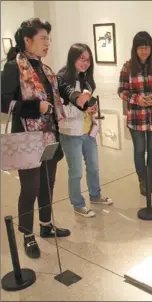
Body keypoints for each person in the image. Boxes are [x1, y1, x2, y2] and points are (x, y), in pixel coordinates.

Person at [1, 18, 71, 259]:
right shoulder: (13, 67)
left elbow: (57, 93)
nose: (47, 43)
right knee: (30, 187)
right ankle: (28, 236)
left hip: (49, 134)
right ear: (27, 40)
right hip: (26, 137)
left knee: (48, 182)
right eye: (43, 38)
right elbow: (3, 102)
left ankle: (45, 225)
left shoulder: (44, 68)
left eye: (48, 39)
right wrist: (33, 107)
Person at [57, 43, 113, 218]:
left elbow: (87, 103)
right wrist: (82, 109)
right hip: (70, 132)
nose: (85, 63)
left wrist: (91, 108)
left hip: (88, 130)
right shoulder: (61, 80)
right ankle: (78, 203)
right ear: (73, 58)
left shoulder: (86, 79)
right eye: (82, 59)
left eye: (88, 60)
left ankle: (95, 195)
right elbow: (60, 112)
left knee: (94, 166)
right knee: (76, 172)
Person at [117, 31, 152, 196]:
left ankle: (151, 180)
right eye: (141, 48)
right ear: (135, 49)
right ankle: (142, 181)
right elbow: (121, 90)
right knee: (139, 150)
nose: (144, 51)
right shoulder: (127, 67)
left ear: (151, 48)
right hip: (136, 118)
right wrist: (135, 99)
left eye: (147, 47)